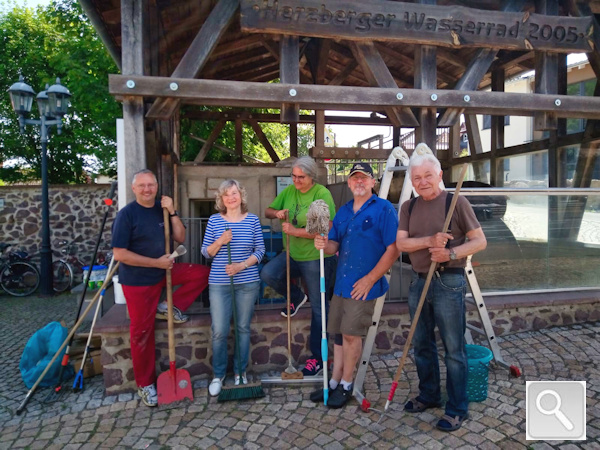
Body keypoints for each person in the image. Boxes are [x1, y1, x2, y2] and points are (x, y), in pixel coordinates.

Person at [396, 146, 487, 432]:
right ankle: (429, 395)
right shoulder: (408, 207)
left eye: (428, 175)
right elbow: (402, 244)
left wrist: (451, 253)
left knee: (453, 348)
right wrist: (430, 241)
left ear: (439, 175)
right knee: (421, 344)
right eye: (417, 177)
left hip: (449, 281)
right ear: (411, 180)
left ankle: (457, 408)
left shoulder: (456, 203)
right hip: (419, 280)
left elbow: (480, 241)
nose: (422, 181)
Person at [112, 169, 209, 407]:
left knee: (203, 273)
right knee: (142, 333)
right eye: (142, 185)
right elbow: (120, 254)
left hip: (164, 272)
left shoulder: (162, 210)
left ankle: (168, 306)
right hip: (138, 281)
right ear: (134, 188)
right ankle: (145, 384)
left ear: (156, 186)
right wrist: (156, 262)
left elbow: (181, 237)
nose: (147, 189)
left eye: (151, 185)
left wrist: (173, 211)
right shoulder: (127, 215)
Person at [312, 162, 399, 408]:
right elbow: (334, 246)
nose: (359, 182)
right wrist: (323, 244)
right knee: (338, 335)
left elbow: (393, 249)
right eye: (354, 178)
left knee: (351, 334)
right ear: (349, 183)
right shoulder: (344, 210)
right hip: (342, 284)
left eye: (364, 178)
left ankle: (347, 385)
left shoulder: (384, 209)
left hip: (364, 285)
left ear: (373, 182)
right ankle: (334, 383)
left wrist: (370, 279)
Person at [260, 156, 337, 377]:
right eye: (293, 176)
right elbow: (268, 211)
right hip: (291, 254)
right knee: (268, 273)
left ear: (311, 176)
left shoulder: (321, 194)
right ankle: (295, 296)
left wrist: (295, 231)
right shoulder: (289, 192)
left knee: (319, 307)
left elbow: (326, 227)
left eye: (300, 177)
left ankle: (318, 358)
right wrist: (277, 213)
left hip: (315, 257)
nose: (296, 180)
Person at [201, 179, 265, 396]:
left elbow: (260, 250)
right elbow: (205, 252)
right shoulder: (214, 221)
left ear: (241, 195)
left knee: (242, 328)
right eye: (226, 194)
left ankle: (240, 372)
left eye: (234, 193)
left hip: (247, 282)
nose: (231, 197)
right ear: (221, 199)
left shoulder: (253, 220)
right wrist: (220, 241)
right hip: (219, 284)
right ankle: (218, 375)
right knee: (219, 331)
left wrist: (241, 265)